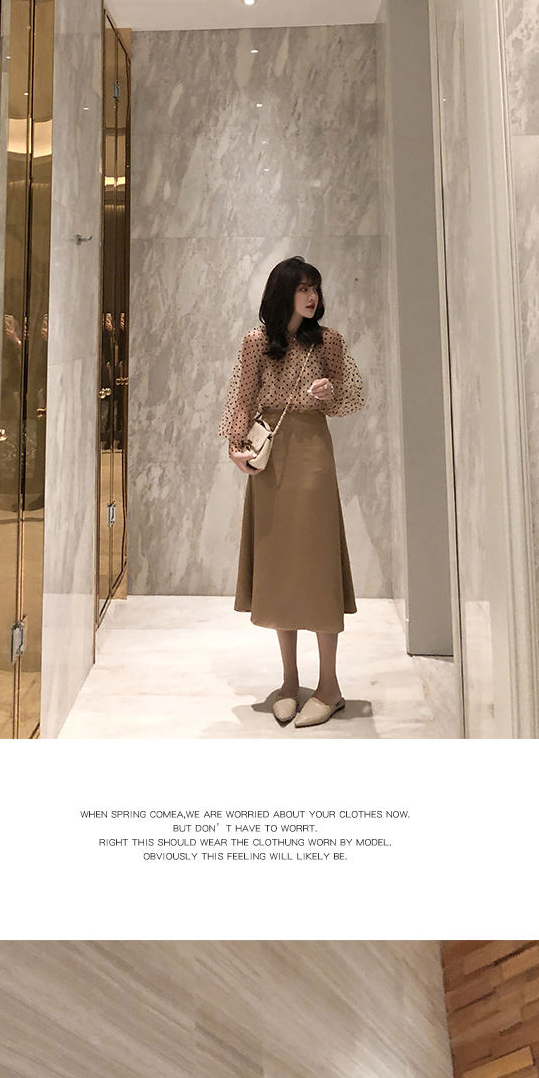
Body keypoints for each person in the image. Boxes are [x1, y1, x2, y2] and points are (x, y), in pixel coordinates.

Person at [221, 257, 365, 728]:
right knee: (280, 562)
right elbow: (241, 397)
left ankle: (330, 686)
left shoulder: (329, 341)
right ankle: (288, 680)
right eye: (303, 288)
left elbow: (353, 397)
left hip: (313, 452)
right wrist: (235, 446)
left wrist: (328, 394)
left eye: (315, 288)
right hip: (272, 455)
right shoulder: (256, 342)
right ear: (283, 293)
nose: (312, 296)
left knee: (317, 561)